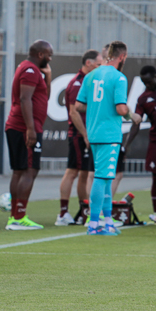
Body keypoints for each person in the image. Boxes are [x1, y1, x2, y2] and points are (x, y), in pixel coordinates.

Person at [75, 41, 139, 236]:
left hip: (94, 132)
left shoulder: (91, 75)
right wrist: (132, 116)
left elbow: (78, 106)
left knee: (104, 176)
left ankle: (108, 221)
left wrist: (98, 107)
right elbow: (121, 108)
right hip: (109, 133)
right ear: (122, 57)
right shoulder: (119, 78)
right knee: (102, 178)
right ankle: (94, 224)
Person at [4, 40, 53, 230]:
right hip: (25, 128)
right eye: (49, 55)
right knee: (29, 170)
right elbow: (25, 99)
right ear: (40, 54)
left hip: (20, 126)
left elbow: (43, 97)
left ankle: (14, 217)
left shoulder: (29, 69)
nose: (50, 59)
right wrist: (31, 129)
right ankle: (19, 217)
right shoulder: (31, 70)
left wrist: (48, 76)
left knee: (20, 171)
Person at [58, 49, 101, 225]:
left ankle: (84, 211)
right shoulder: (78, 83)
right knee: (72, 171)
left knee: (83, 173)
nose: (100, 67)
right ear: (88, 63)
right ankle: (62, 213)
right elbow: (74, 112)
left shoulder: (89, 81)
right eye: (98, 64)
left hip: (86, 133)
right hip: (79, 134)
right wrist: (85, 134)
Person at [125, 65, 156, 221]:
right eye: (144, 82)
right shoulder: (143, 98)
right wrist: (126, 145)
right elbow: (136, 123)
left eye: (149, 81)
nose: (147, 85)